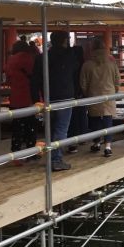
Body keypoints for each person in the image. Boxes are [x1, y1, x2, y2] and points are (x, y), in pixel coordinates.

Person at [30, 31, 78, 171]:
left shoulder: (42, 57)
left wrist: (35, 99)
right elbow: (75, 69)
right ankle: (56, 159)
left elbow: (35, 80)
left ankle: (52, 157)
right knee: (61, 129)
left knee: (51, 129)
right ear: (64, 40)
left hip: (48, 96)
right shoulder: (69, 56)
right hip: (65, 96)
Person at [80, 37, 121, 157]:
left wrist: (87, 93)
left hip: (93, 94)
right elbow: (117, 80)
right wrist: (115, 90)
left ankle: (97, 142)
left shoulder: (87, 64)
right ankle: (108, 146)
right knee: (108, 120)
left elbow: (83, 82)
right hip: (109, 94)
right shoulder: (111, 63)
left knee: (95, 120)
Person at [5, 40, 36, 164]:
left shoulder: (11, 60)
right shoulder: (28, 58)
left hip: (15, 97)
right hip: (27, 97)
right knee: (30, 126)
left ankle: (15, 154)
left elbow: (7, 76)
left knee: (17, 127)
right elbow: (33, 74)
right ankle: (31, 152)